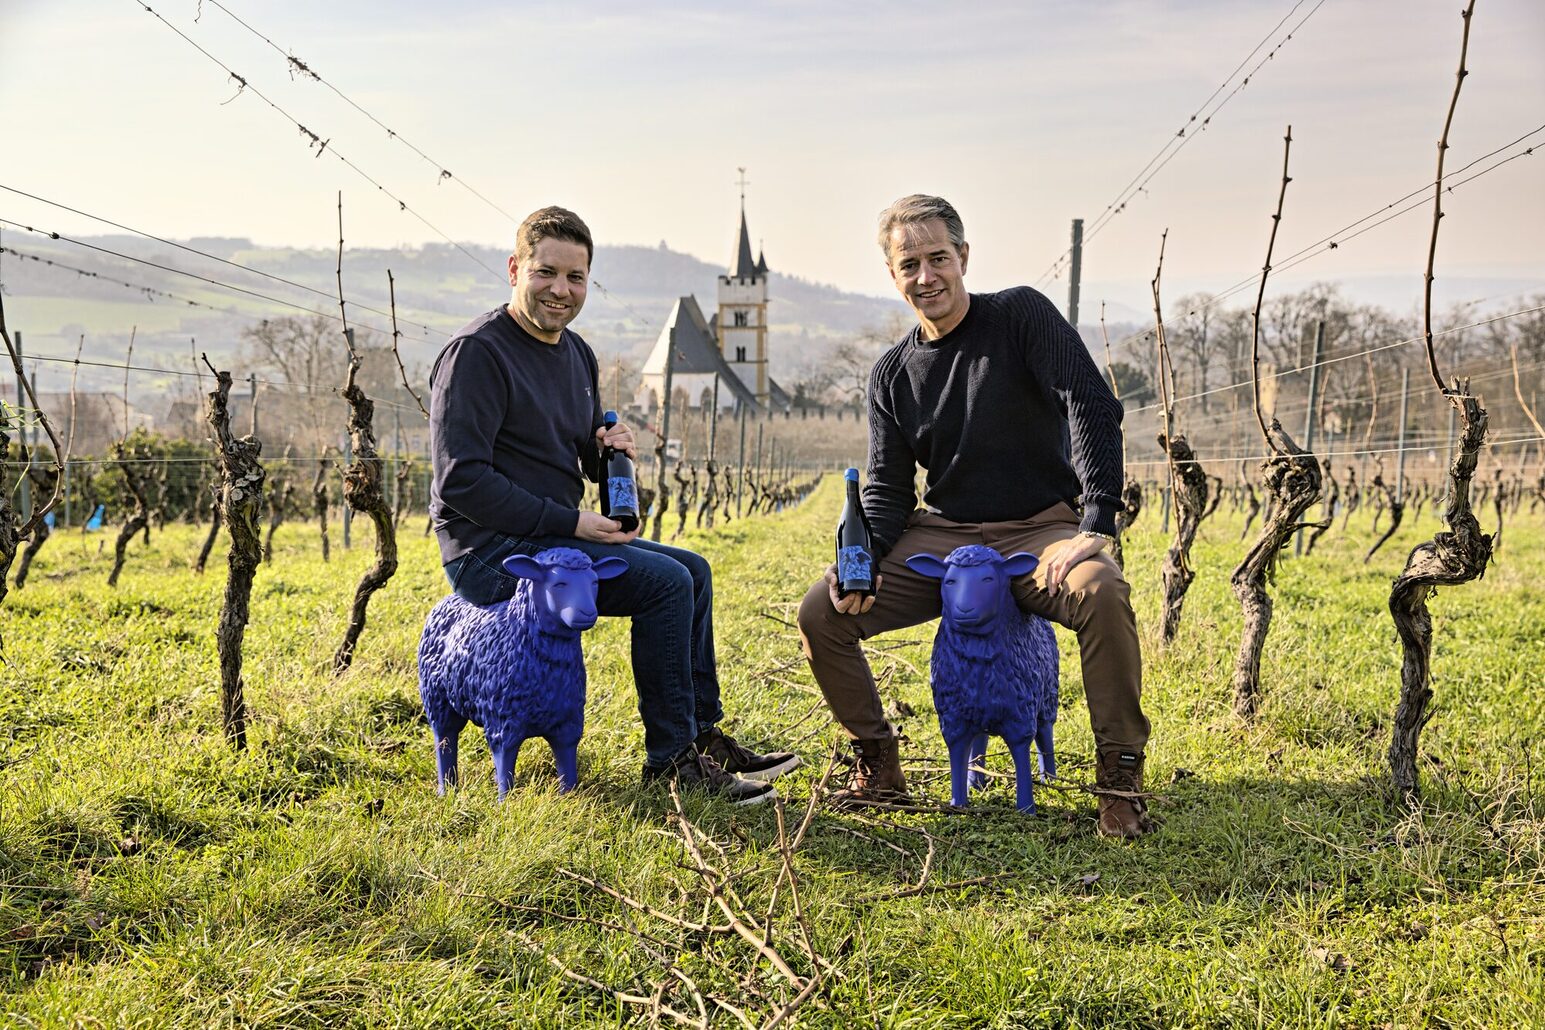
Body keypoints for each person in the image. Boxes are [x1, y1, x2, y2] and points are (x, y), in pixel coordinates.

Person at [796, 194, 1153, 837]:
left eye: (939, 258)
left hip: (1041, 529)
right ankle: (878, 764)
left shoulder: (1021, 316)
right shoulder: (892, 373)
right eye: (910, 264)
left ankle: (1119, 775)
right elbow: (886, 487)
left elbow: (1090, 402)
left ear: (963, 257)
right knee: (822, 613)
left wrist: (1095, 523)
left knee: (1101, 593)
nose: (926, 276)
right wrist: (864, 562)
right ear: (892, 273)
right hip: (946, 541)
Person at [429, 205, 800, 805]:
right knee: (664, 586)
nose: (560, 290)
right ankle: (671, 763)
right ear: (514, 268)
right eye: (545, 272)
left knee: (694, 571)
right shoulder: (477, 354)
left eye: (575, 278)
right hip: (490, 549)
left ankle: (702, 737)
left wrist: (606, 452)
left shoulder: (576, 354)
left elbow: (567, 458)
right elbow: (462, 482)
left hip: (552, 537)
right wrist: (573, 521)